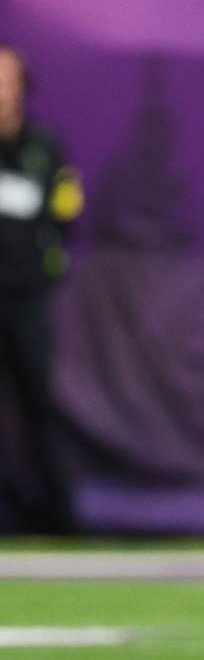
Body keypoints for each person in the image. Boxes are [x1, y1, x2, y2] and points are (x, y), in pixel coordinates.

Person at [0, 44, 82, 535]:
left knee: (40, 406)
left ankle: (63, 521)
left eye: (9, 80)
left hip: (26, 296)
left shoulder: (43, 146)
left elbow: (64, 209)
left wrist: (46, 266)